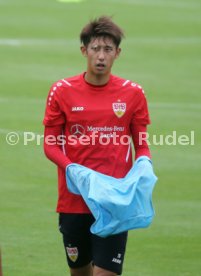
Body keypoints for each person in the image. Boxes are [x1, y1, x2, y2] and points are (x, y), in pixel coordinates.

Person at [43, 16, 151, 276]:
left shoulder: (132, 93)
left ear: (117, 53)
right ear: (84, 51)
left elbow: (142, 144)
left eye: (108, 49)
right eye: (95, 49)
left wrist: (144, 162)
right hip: (74, 200)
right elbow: (50, 145)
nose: (101, 56)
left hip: (114, 200)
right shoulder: (62, 90)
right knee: (80, 273)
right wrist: (72, 169)